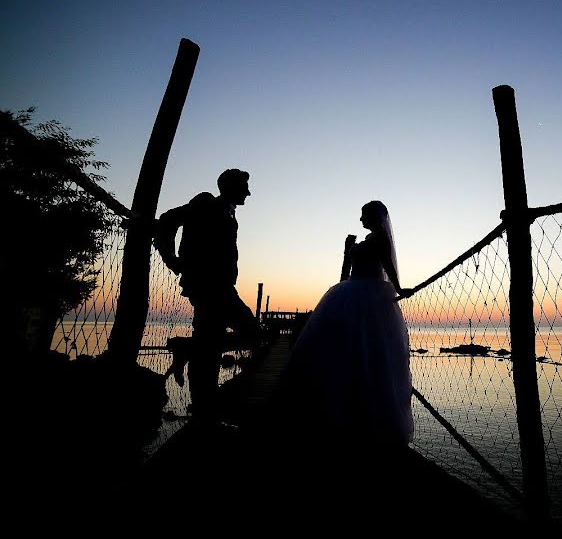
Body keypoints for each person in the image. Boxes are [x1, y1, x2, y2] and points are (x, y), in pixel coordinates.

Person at [280, 200, 414, 446]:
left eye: (364, 215)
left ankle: (362, 415)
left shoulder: (379, 239)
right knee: (345, 351)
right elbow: (344, 275)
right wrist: (347, 250)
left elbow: (388, 267)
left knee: (365, 351)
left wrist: (399, 288)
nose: (360, 218)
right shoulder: (362, 241)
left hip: (369, 297)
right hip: (350, 292)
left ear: (374, 217)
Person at [155, 168, 260, 420]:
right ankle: (204, 410)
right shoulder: (205, 202)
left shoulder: (228, 211)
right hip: (208, 286)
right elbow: (168, 220)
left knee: (211, 346)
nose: (248, 192)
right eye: (244, 186)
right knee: (247, 333)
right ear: (229, 186)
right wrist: (171, 259)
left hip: (221, 286)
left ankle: (188, 354)